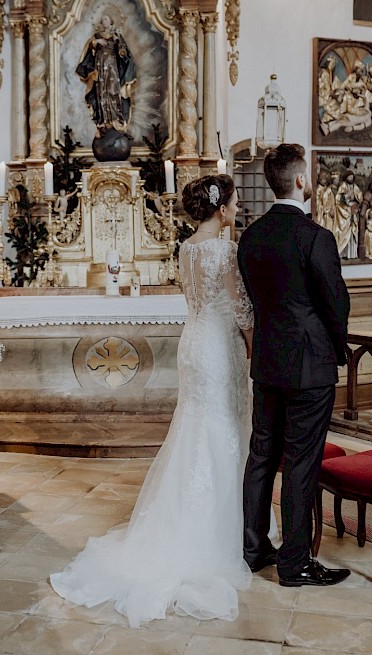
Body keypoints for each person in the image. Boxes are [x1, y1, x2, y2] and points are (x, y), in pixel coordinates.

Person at [52, 174, 260, 627]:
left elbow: (197, 301)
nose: (238, 205)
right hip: (220, 346)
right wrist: (253, 348)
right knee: (224, 427)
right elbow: (241, 308)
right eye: (235, 199)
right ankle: (223, 531)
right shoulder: (226, 250)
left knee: (196, 428)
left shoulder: (186, 248)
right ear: (220, 206)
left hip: (196, 342)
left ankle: (190, 516)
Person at [238, 144, 351, 587]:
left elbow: (255, 299)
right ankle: (294, 563)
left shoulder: (251, 236)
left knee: (262, 456)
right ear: (301, 181)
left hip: (267, 363)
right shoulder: (315, 237)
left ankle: (254, 549)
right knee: (302, 463)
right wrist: (335, 349)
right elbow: (335, 304)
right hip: (309, 367)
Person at [75, 12, 136, 135]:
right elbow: (89, 49)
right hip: (100, 69)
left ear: (111, 22)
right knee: (101, 93)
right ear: (101, 23)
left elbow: (123, 53)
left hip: (113, 69)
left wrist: (120, 45)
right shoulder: (96, 36)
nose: (105, 21)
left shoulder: (116, 36)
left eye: (107, 19)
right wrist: (96, 42)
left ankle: (115, 119)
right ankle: (103, 119)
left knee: (113, 92)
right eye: (103, 20)